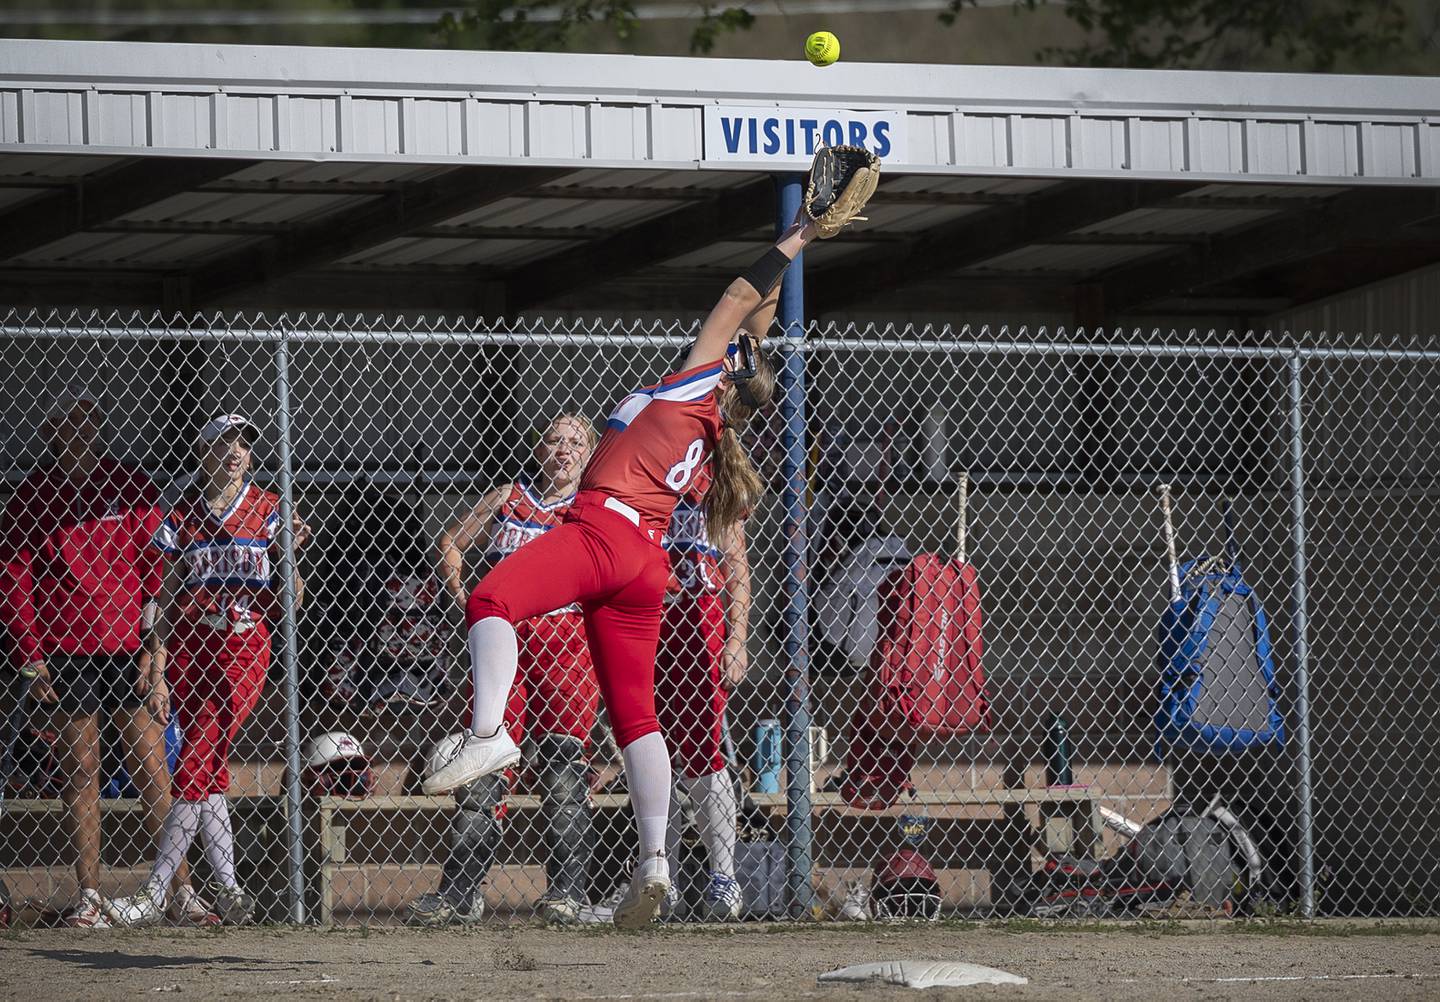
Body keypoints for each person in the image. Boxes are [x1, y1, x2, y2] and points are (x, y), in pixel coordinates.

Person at [424, 207, 825, 929]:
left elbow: (740, 298)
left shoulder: (693, 387)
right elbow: (757, 322)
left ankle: (488, 735)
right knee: (638, 717)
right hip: (646, 564)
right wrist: (799, 254)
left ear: (725, 371)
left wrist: (799, 234)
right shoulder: (716, 417)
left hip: (604, 529)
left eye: (729, 349)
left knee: (489, 599)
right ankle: (655, 866)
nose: (724, 339)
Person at [0, 388, 210, 928]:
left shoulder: (131, 486)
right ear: (49, 433)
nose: (79, 432)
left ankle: (179, 891)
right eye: (66, 424)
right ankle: (90, 895)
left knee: (151, 768)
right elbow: (14, 579)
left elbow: (159, 571)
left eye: (87, 422)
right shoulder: (32, 497)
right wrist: (31, 654)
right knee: (82, 768)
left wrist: (153, 648)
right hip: (66, 651)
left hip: (126, 649)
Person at [106, 413, 309, 926]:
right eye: (225, 443)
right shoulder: (183, 514)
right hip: (192, 644)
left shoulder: (269, 508)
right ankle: (230, 888)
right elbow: (165, 595)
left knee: (195, 761)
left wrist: (289, 554)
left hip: (242, 645)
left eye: (243, 443)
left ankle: (154, 892)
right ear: (205, 452)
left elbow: (295, 600)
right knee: (210, 767)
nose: (236, 452)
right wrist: (156, 664)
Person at [406, 413, 602, 926]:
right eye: (554, 439)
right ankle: (461, 893)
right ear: (540, 450)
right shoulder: (508, 498)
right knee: (484, 768)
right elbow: (451, 541)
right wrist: (465, 600)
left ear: (590, 455)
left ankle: (567, 894)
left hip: (567, 647)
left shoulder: (590, 510)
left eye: (575, 442)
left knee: (562, 771)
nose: (563, 449)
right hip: (505, 644)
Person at [658, 496, 752, 922]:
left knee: (703, 751)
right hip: (648, 619)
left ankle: (724, 878)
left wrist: (737, 638)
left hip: (703, 620)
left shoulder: (711, 481)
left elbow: (737, 567)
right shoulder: (639, 472)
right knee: (653, 753)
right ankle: (662, 876)